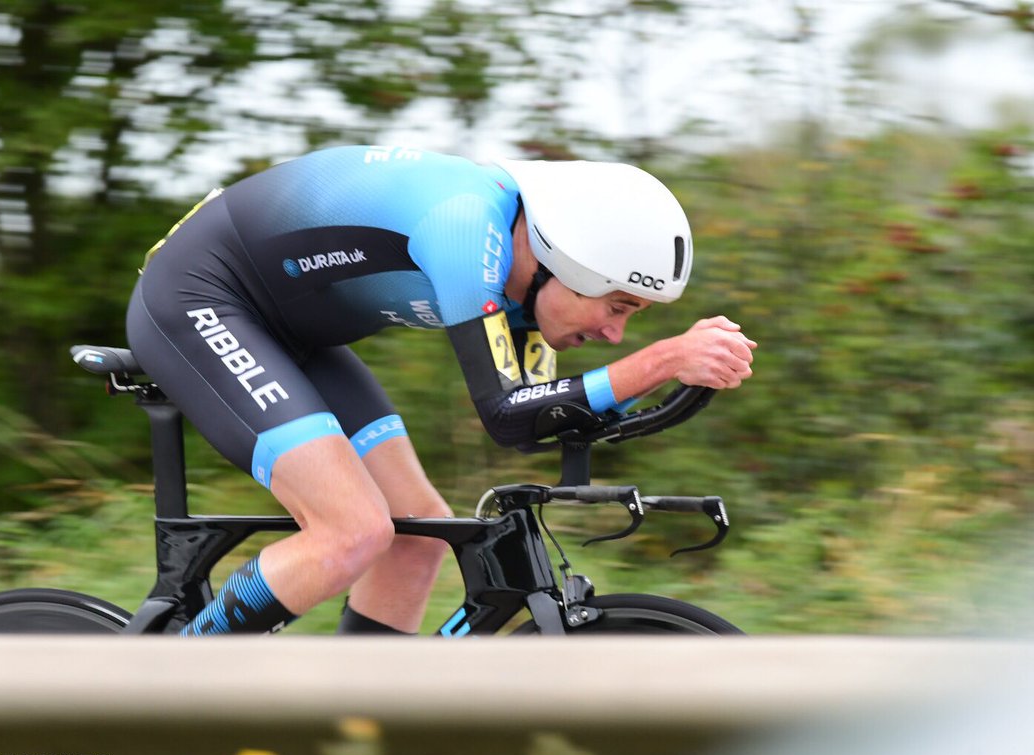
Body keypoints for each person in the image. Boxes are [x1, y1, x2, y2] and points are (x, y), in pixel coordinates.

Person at [125, 145, 756, 636]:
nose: (616, 334)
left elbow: (542, 413)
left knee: (418, 537)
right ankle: (164, 693)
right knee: (353, 531)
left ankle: (353, 737)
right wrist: (664, 360)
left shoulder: (526, 282)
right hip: (200, 298)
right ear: (561, 264)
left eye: (634, 318)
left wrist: (664, 387)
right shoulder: (466, 229)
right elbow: (508, 417)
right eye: (616, 307)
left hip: (292, 329)